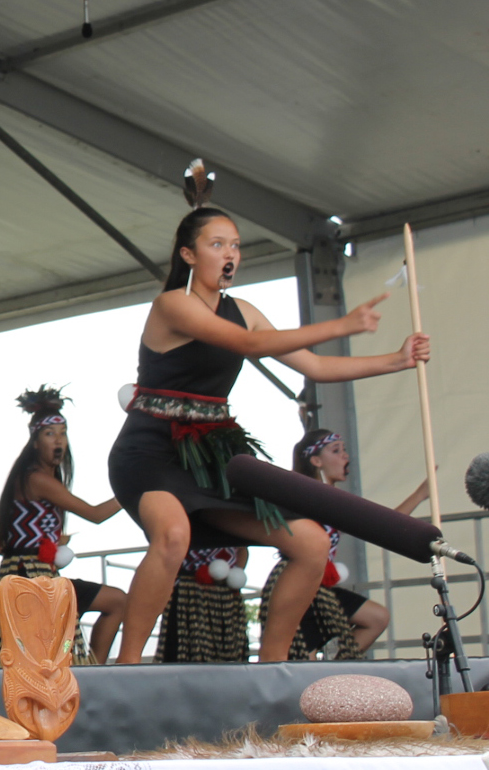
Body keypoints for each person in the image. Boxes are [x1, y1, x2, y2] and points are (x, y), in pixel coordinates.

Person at [105, 162, 428, 663]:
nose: (230, 254)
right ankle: (125, 670)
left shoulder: (244, 308)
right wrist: (343, 321)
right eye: (217, 244)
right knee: (173, 534)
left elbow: (316, 366)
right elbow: (249, 344)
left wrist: (396, 360)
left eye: (235, 244)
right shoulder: (174, 305)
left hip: (214, 454)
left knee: (310, 542)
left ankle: (271, 669)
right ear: (188, 254)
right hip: (151, 449)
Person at [257, 429, 424, 660]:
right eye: (336, 451)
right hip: (297, 580)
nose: (345, 456)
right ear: (316, 460)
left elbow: (383, 526)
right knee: (299, 655)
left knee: (376, 618)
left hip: (318, 587)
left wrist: (419, 494)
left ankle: (335, 672)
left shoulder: (336, 501)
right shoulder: (302, 495)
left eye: (345, 450)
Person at [0, 386, 127, 662]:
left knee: (116, 601)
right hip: (31, 577)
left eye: (62, 434)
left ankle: (93, 668)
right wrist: (132, 490)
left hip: (43, 574)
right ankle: (95, 671)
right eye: (49, 434)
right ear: (35, 442)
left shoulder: (39, 478)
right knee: (116, 601)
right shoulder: (37, 479)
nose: (58, 440)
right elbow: (95, 514)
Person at [156, 546, 250, 663]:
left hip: (226, 596)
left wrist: (233, 573)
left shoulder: (238, 529)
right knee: (180, 651)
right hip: (187, 595)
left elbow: (242, 549)